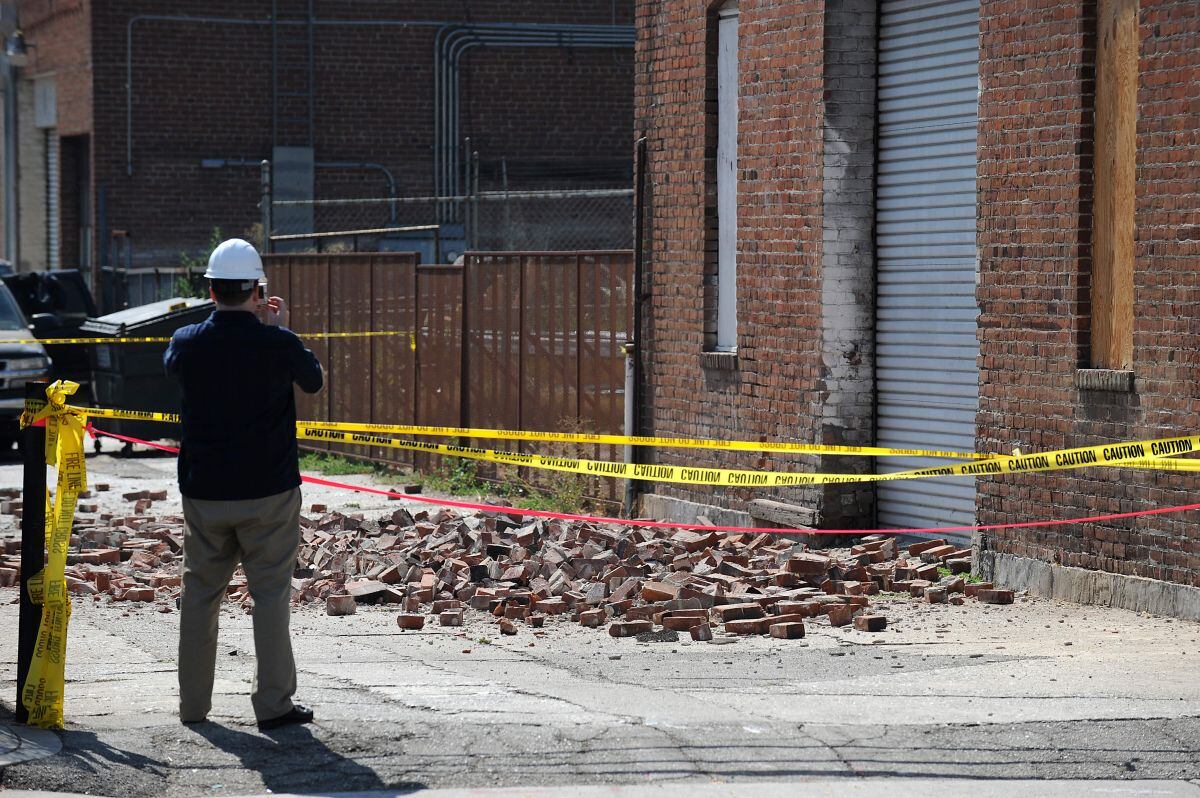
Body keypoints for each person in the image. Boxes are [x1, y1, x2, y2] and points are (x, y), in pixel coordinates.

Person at [164, 238, 324, 730]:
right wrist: (272, 328)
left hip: (206, 493)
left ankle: (194, 707)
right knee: (271, 596)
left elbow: (173, 366)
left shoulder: (188, 341)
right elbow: (313, 380)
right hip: (269, 492)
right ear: (257, 290)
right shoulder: (278, 343)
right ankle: (273, 706)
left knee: (199, 596)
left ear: (210, 290)